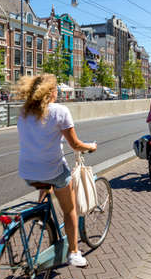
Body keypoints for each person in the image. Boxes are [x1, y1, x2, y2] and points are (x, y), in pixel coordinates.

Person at [16, 74, 97, 267]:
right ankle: (74, 252)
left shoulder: (24, 113)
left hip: (27, 172)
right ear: (51, 92)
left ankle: (42, 216)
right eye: (56, 90)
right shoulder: (60, 111)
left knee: (46, 182)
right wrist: (91, 146)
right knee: (70, 210)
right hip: (53, 170)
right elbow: (75, 144)